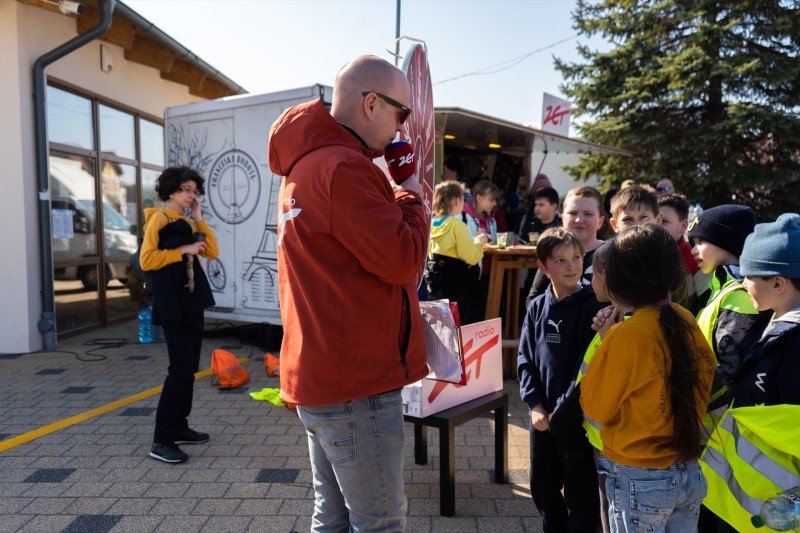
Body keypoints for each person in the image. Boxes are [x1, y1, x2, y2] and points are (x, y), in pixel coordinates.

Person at [267, 54, 429, 532]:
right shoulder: (344, 169)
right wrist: (412, 192)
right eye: (402, 115)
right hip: (357, 380)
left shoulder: (307, 165)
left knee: (332, 517)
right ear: (372, 103)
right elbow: (404, 260)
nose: (403, 129)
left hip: (323, 375)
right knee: (379, 521)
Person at [581, 224, 715, 532]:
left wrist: (606, 342)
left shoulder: (626, 335)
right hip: (687, 470)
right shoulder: (684, 318)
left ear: (621, 280)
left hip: (639, 477)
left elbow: (596, 408)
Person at [700, 213, 800, 532]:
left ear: (778, 283)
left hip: (778, 505)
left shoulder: (793, 344)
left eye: (749, 276)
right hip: (762, 504)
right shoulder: (778, 328)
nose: (743, 284)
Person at [518, 227, 606, 533]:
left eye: (577, 257)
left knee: (582, 498)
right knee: (542, 488)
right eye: (561, 260)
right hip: (542, 418)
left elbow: (587, 368)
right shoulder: (538, 307)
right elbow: (525, 358)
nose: (572, 266)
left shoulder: (593, 307)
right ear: (542, 266)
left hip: (574, 421)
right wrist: (535, 405)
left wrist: (562, 413)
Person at [140, 166, 218, 464]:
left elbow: (211, 250)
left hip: (190, 299)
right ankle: (161, 440)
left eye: (194, 190)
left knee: (189, 368)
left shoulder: (187, 218)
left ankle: (180, 425)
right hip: (172, 302)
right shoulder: (159, 218)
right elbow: (147, 259)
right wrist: (183, 249)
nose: (190, 194)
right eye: (185, 189)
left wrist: (198, 218)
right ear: (171, 190)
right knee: (179, 370)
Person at [687, 205, 769, 413]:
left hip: (720, 422)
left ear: (726, 242)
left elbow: (728, 375)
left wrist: (684, 404)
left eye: (700, 241)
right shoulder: (721, 287)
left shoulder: (741, 297)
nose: (693, 250)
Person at [526, 186, 605, 308]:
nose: (579, 219)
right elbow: (533, 300)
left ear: (600, 221)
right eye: (573, 213)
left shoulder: (610, 255)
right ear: (562, 219)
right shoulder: (553, 252)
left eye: (588, 214)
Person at [426, 181, 487, 324]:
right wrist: (479, 241)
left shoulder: (431, 224)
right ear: (456, 200)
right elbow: (471, 257)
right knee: (461, 323)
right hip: (456, 285)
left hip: (435, 283)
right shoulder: (457, 225)